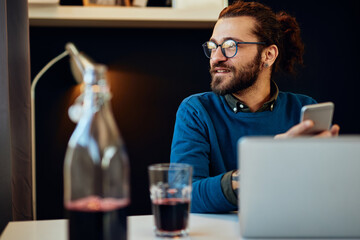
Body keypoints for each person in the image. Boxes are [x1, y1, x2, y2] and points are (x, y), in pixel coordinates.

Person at [170, 0, 340, 213]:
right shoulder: (196, 111)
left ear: (268, 55)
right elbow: (183, 194)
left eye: (230, 46)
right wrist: (265, 166)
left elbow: (324, 195)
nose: (216, 57)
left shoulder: (303, 110)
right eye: (213, 46)